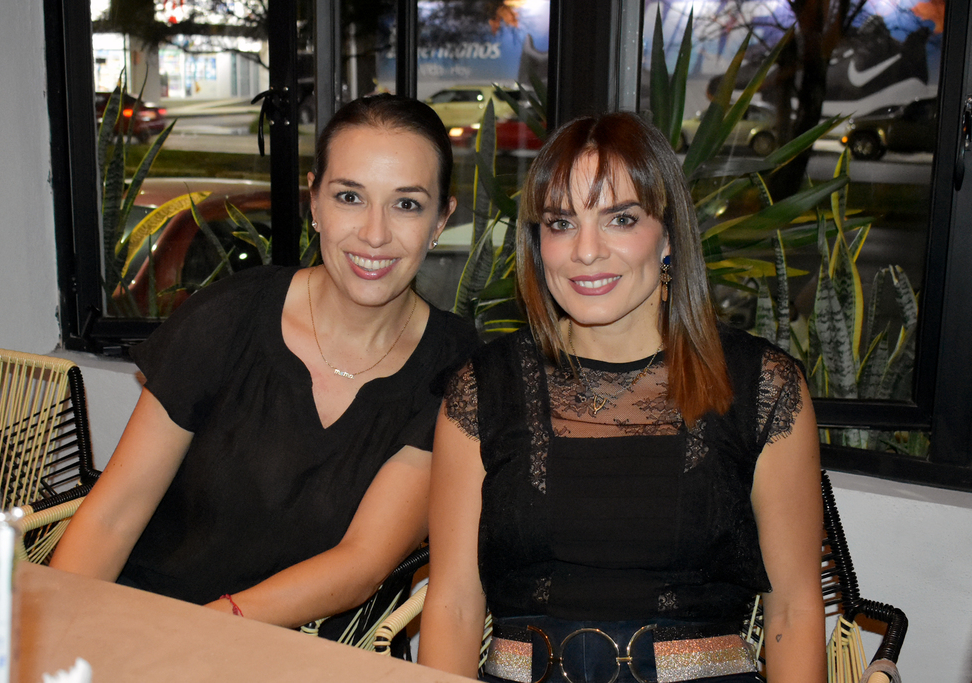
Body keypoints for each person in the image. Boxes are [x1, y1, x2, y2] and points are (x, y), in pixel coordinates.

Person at [50, 94, 479, 636]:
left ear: (441, 219)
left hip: (287, 651)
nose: (375, 233)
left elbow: (361, 563)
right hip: (143, 618)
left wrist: (194, 636)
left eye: (407, 204)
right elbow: (114, 514)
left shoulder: (456, 367)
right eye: (350, 197)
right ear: (315, 202)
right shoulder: (230, 315)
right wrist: (50, 636)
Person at [419, 112, 825, 682]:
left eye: (621, 219)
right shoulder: (482, 388)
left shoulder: (762, 384)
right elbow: (454, 606)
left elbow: (794, 611)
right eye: (561, 223)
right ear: (538, 243)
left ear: (669, 235)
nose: (586, 251)